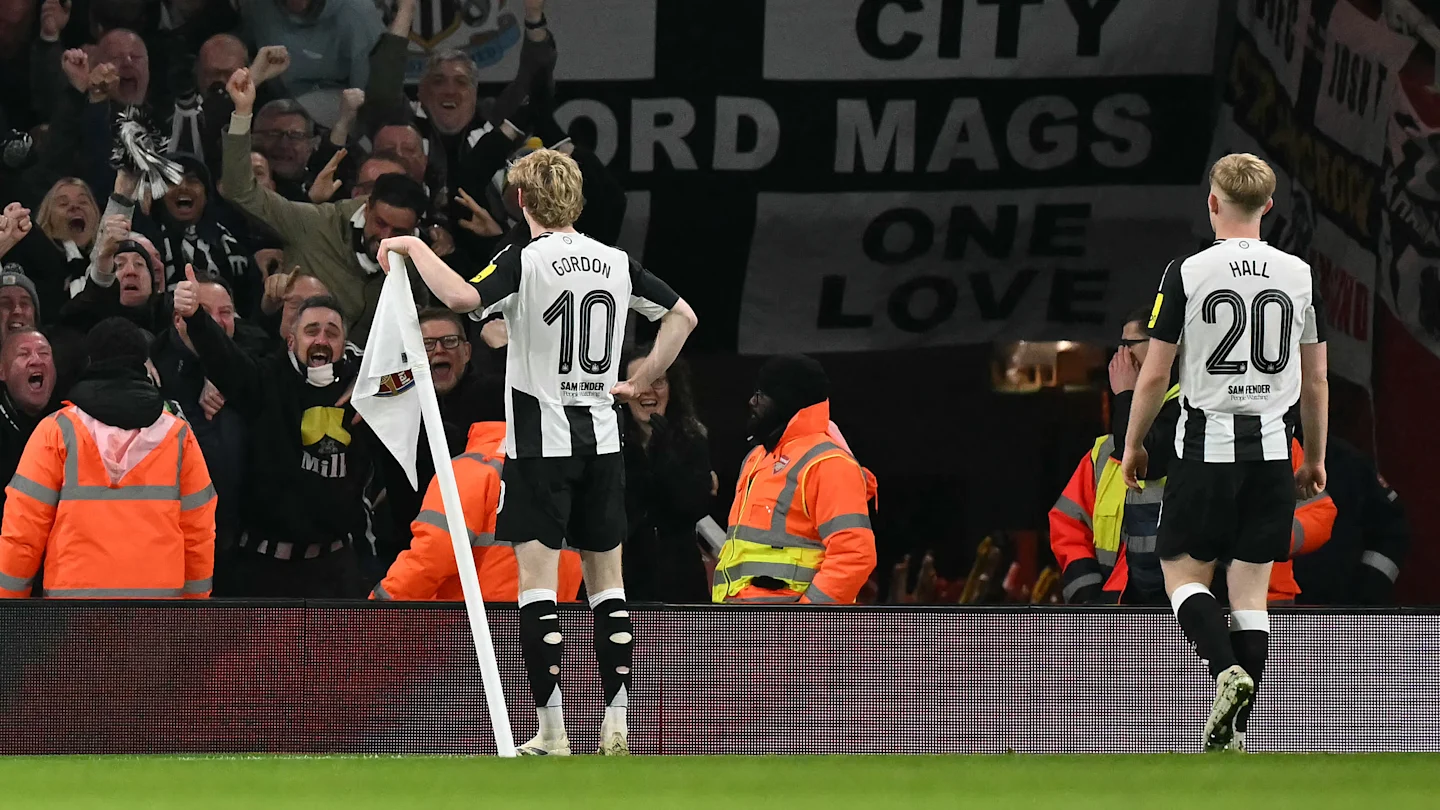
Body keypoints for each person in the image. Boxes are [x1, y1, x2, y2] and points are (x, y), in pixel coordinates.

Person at [380, 147, 698, 757]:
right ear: (575, 199)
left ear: (521, 201)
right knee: (609, 586)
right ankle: (617, 724)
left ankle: (552, 732)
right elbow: (682, 315)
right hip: (602, 442)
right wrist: (640, 378)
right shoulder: (614, 260)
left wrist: (413, 248)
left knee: (538, 586)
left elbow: (467, 300)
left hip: (539, 447)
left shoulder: (525, 258)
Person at [1121, 153, 1329, 753]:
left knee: (1183, 575)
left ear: (1212, 203)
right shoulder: (1297, 274)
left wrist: (1135, 443)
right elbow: (1315, 380)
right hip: (1271, 447)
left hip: (1203, 445)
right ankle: (1235, 731)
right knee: (1251, 592)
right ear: (1268, 207)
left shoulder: (1186, 271)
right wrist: (1312, 457)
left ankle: (1224, 673)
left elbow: (1155, 373)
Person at [173, 267, 377, 597]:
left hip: (335, 574)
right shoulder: (265, 381)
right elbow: (227, 362)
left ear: (343, 344)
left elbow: (413, 377)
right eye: (312, 331)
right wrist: (195, 317)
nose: (322, 340)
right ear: (292, 340)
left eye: (332, 332)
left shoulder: (366, 390)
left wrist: (374, 386)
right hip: (261, 574)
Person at [0, 317, 216, 598]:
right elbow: (198, 535)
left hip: (74, 620)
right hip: (156, 619)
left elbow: (22, 536)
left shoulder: (56, 432)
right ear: (143, 363)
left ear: (91, 361)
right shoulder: (178, 436)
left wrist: (8, 612)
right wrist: (193, 610)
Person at [219, 68, 430, 344]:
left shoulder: (415, 259)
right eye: (380, 224)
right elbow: (240, 189)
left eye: (398, 231)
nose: (386, 239)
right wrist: (242, 112)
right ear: (365, 208)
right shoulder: (314, 223)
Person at [371, 393, 582, 603]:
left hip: (475, 627)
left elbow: (434, 553)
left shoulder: (472, 469)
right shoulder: (572, 472)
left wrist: (380, 606)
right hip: (553, 623)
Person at [713, 355, 879, 606]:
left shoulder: (828, 463)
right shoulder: (757, 457)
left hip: (791, 636)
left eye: (761, 394)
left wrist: (802, 624)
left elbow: (854, 555)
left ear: (785, 400)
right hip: (742, 627)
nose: (752, 402)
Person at [150, 276, 250, 591]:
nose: (217, 322)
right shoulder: (153, 372)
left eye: (226, 313)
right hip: (170, 548)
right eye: (204, 312)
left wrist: (219, 372)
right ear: (179, 319)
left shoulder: (251, 370)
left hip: (238, 549)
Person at [618, 343, 713, 603]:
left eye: (657, 381)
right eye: (638, 383)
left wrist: (666, 454)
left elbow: (695, 505)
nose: (648, 391)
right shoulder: (607, 444)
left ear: (672, 388)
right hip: (622, 583)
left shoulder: (691, 440)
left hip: (680, 583)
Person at [0, 329, 57, 515]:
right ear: (2, 371)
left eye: (44, 353)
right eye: (23, 354)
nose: (36, 360)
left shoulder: (71, 421)